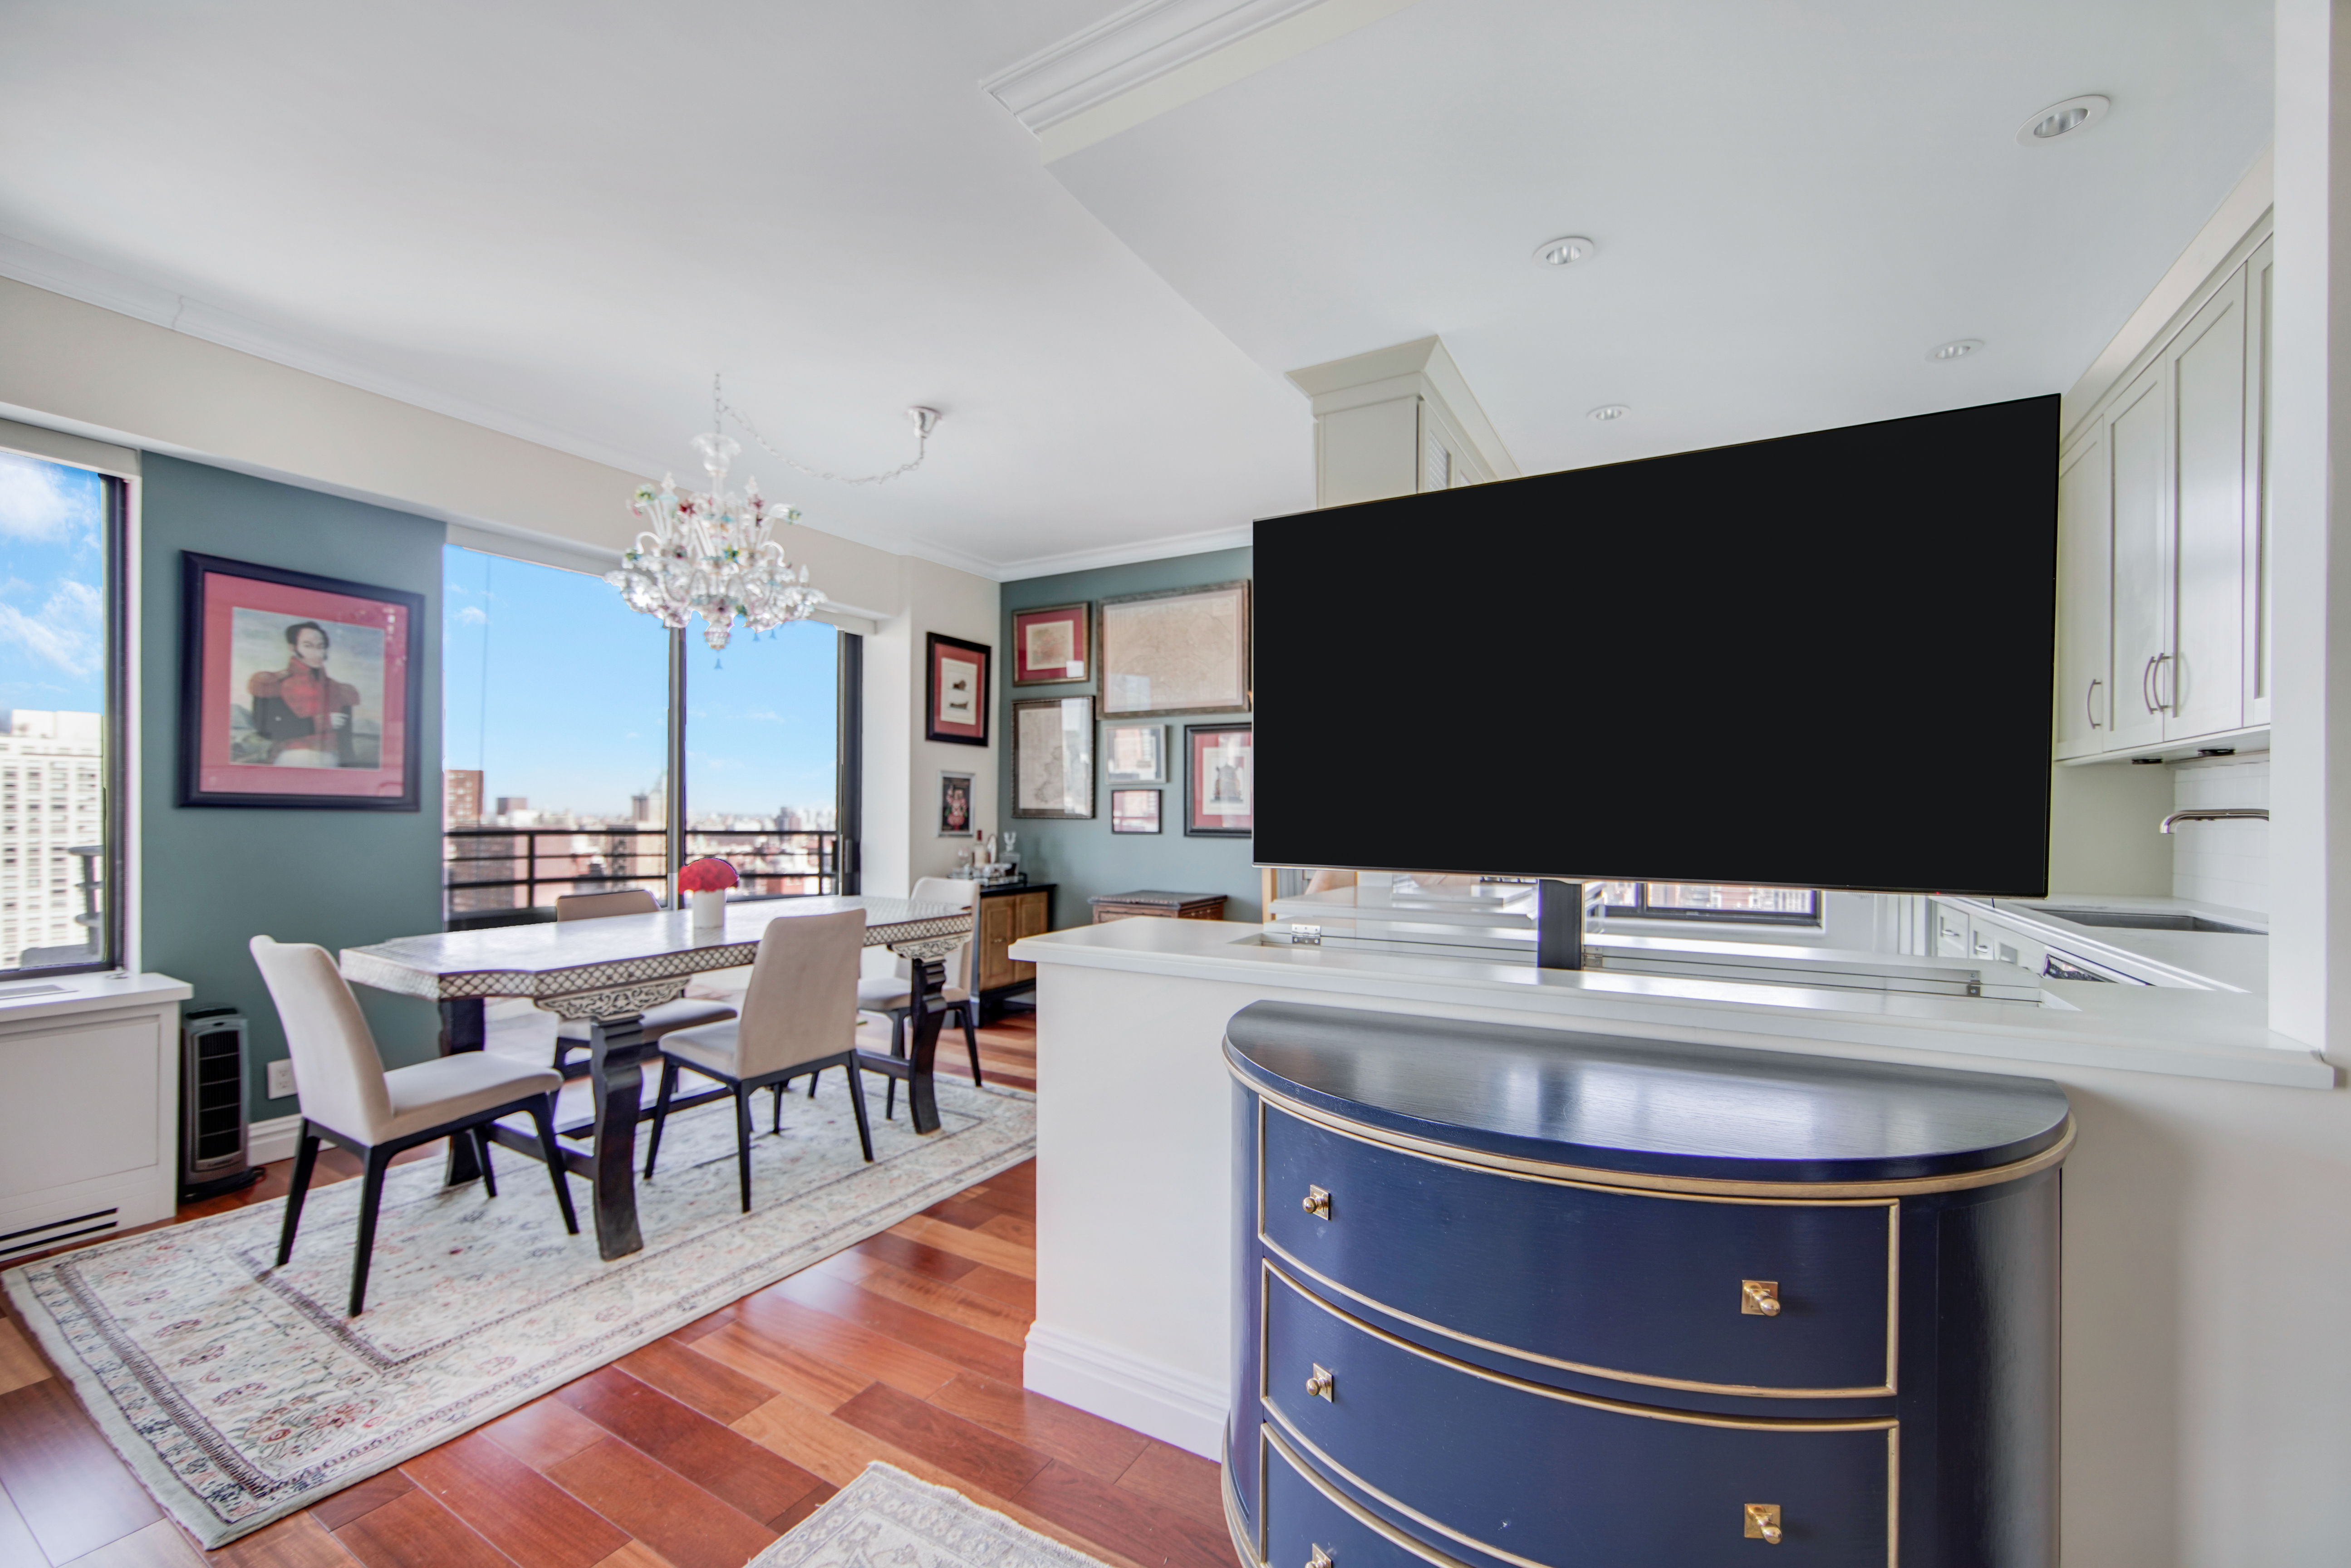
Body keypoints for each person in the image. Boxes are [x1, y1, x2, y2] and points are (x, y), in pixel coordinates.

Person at [248, 621, 361, 765]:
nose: (317, 653)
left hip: (333, 760)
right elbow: (266, 729)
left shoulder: (340, 689)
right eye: (308, 646)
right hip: (293, 757)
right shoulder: (273, 682)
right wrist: (323, 722)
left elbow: (346, 742)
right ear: (293, 648)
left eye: (321, 647)